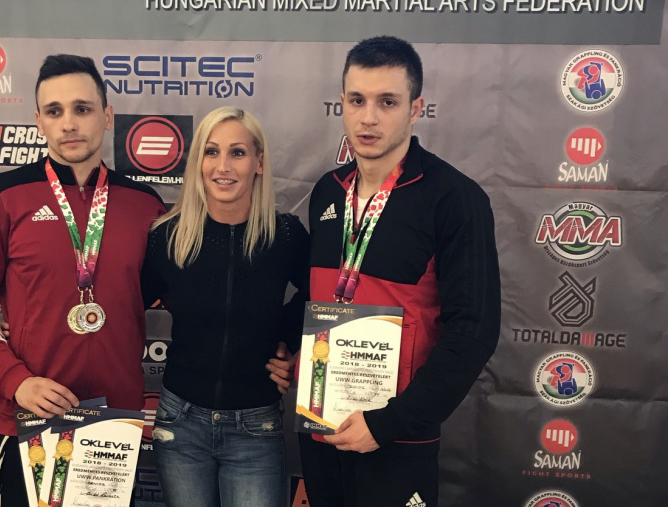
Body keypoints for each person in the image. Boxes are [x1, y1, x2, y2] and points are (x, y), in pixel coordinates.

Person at [0, 54, 166, 507]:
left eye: (82, 109)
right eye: (54, 111)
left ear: (107, 116)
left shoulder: (144, 204)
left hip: (112, 424)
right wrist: (16, 380)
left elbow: (172, 293)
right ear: (39, 121)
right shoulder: (4, 195)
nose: (69, 123)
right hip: (31, 416)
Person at [299, 36, 501, 507]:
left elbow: (473, 331)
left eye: (387, 102)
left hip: (397, 437)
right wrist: (291, 350)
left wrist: (388, 423)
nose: (368, 117)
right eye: (357, 100)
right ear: (342, 104)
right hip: (323, 425)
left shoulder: (454, 197)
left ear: (415, 109)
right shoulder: (328, 191)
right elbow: (322, 300)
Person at [140, 106, 309, 507]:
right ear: (198, 162)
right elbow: (122, 302)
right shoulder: (167, 237)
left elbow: (319, 297)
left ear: (259, 163)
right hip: (179, 425)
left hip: (256, 427)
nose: (223, 166)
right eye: (211, 151)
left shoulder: (284, 235)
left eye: (237, 152)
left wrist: (288, 345)